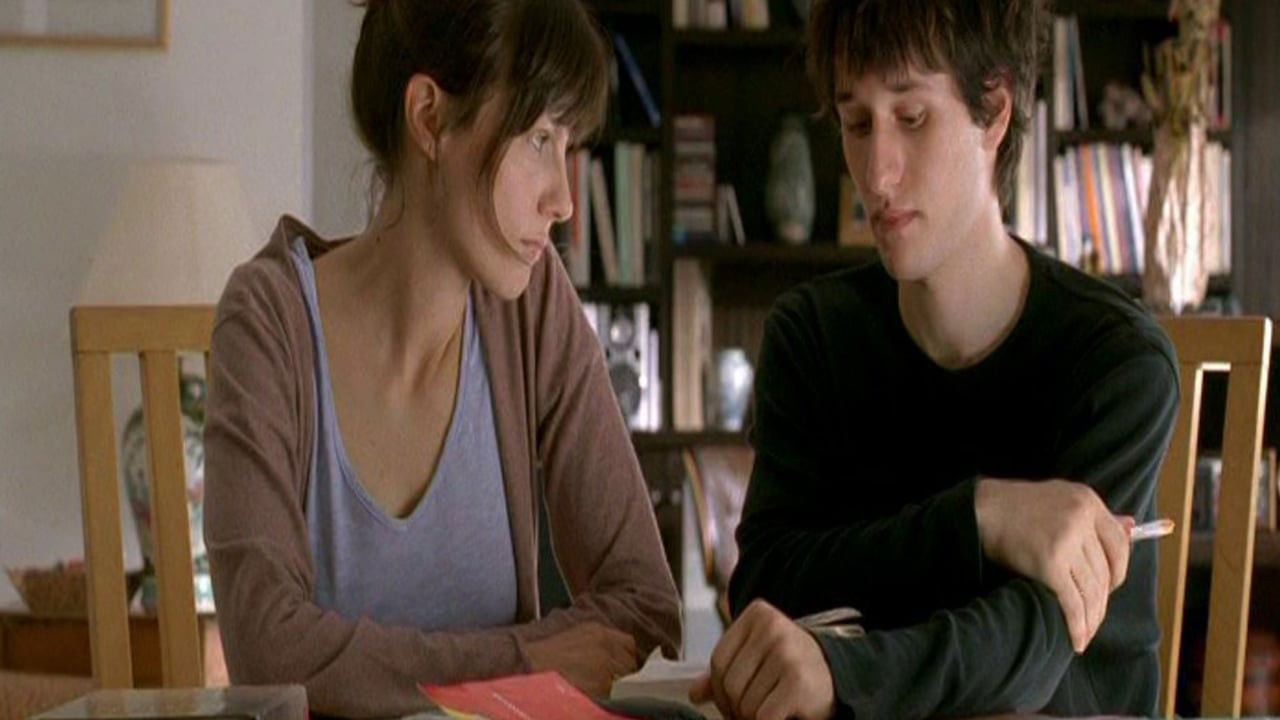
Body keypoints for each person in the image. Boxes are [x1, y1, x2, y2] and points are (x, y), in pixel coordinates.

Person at [691, 1, 1180, 718]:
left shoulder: (1117, 362)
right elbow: (768, 585)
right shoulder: (812, 335)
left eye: (912, 117)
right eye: (857, 124)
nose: (877, 175)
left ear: (995, 111)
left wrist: (843, 674)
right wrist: (982, 517)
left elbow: (1036, 646)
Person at [202, 0, 681, 716]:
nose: (563, 201)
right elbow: (267, 651)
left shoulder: (531, 302)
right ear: (429, 117)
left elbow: (646, 611)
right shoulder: (269, 320)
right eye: (538, 139)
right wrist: (528, 663)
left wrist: (369, 671)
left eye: (568, 145)